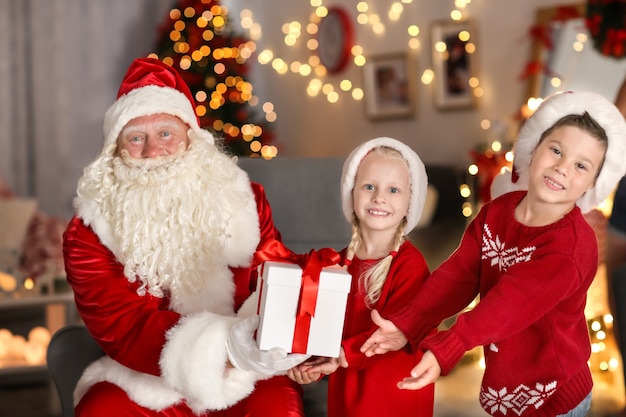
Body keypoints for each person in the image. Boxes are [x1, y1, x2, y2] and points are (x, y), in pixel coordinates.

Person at [62, 57, 309, 416]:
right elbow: (125, 326)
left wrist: (266, 345)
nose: (152, 151)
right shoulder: (88, 232)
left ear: (191, 137)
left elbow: (275, 278)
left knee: (277, 407)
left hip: (243, 374)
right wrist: (223, 346)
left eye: (165, 133)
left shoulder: (245, 200)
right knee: (101, 410)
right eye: (135, 138)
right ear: (116, 149)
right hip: (145, 379)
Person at [360, 91, 626, 417]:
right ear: (533, 148)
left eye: (581, 166)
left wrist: (451, 344)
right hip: (509, 387)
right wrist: (409, 323)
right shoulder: (497, 213)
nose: (562, 168)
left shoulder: (570, 248)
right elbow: (459, 274)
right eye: (556, 150)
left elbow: (510, 302)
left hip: (555, 397)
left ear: (591, 184)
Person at [288, 137, 435, 417]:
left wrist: (338, 355)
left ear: (409, 203)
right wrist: (311, 363)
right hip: (346, 395)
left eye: (393, 190)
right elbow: (323, 331)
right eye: (369, 186)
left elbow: (395, 333)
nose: (380, 197)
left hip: (393, 398)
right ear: (352, 193)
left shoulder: (410, 265)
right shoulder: (336, 263)